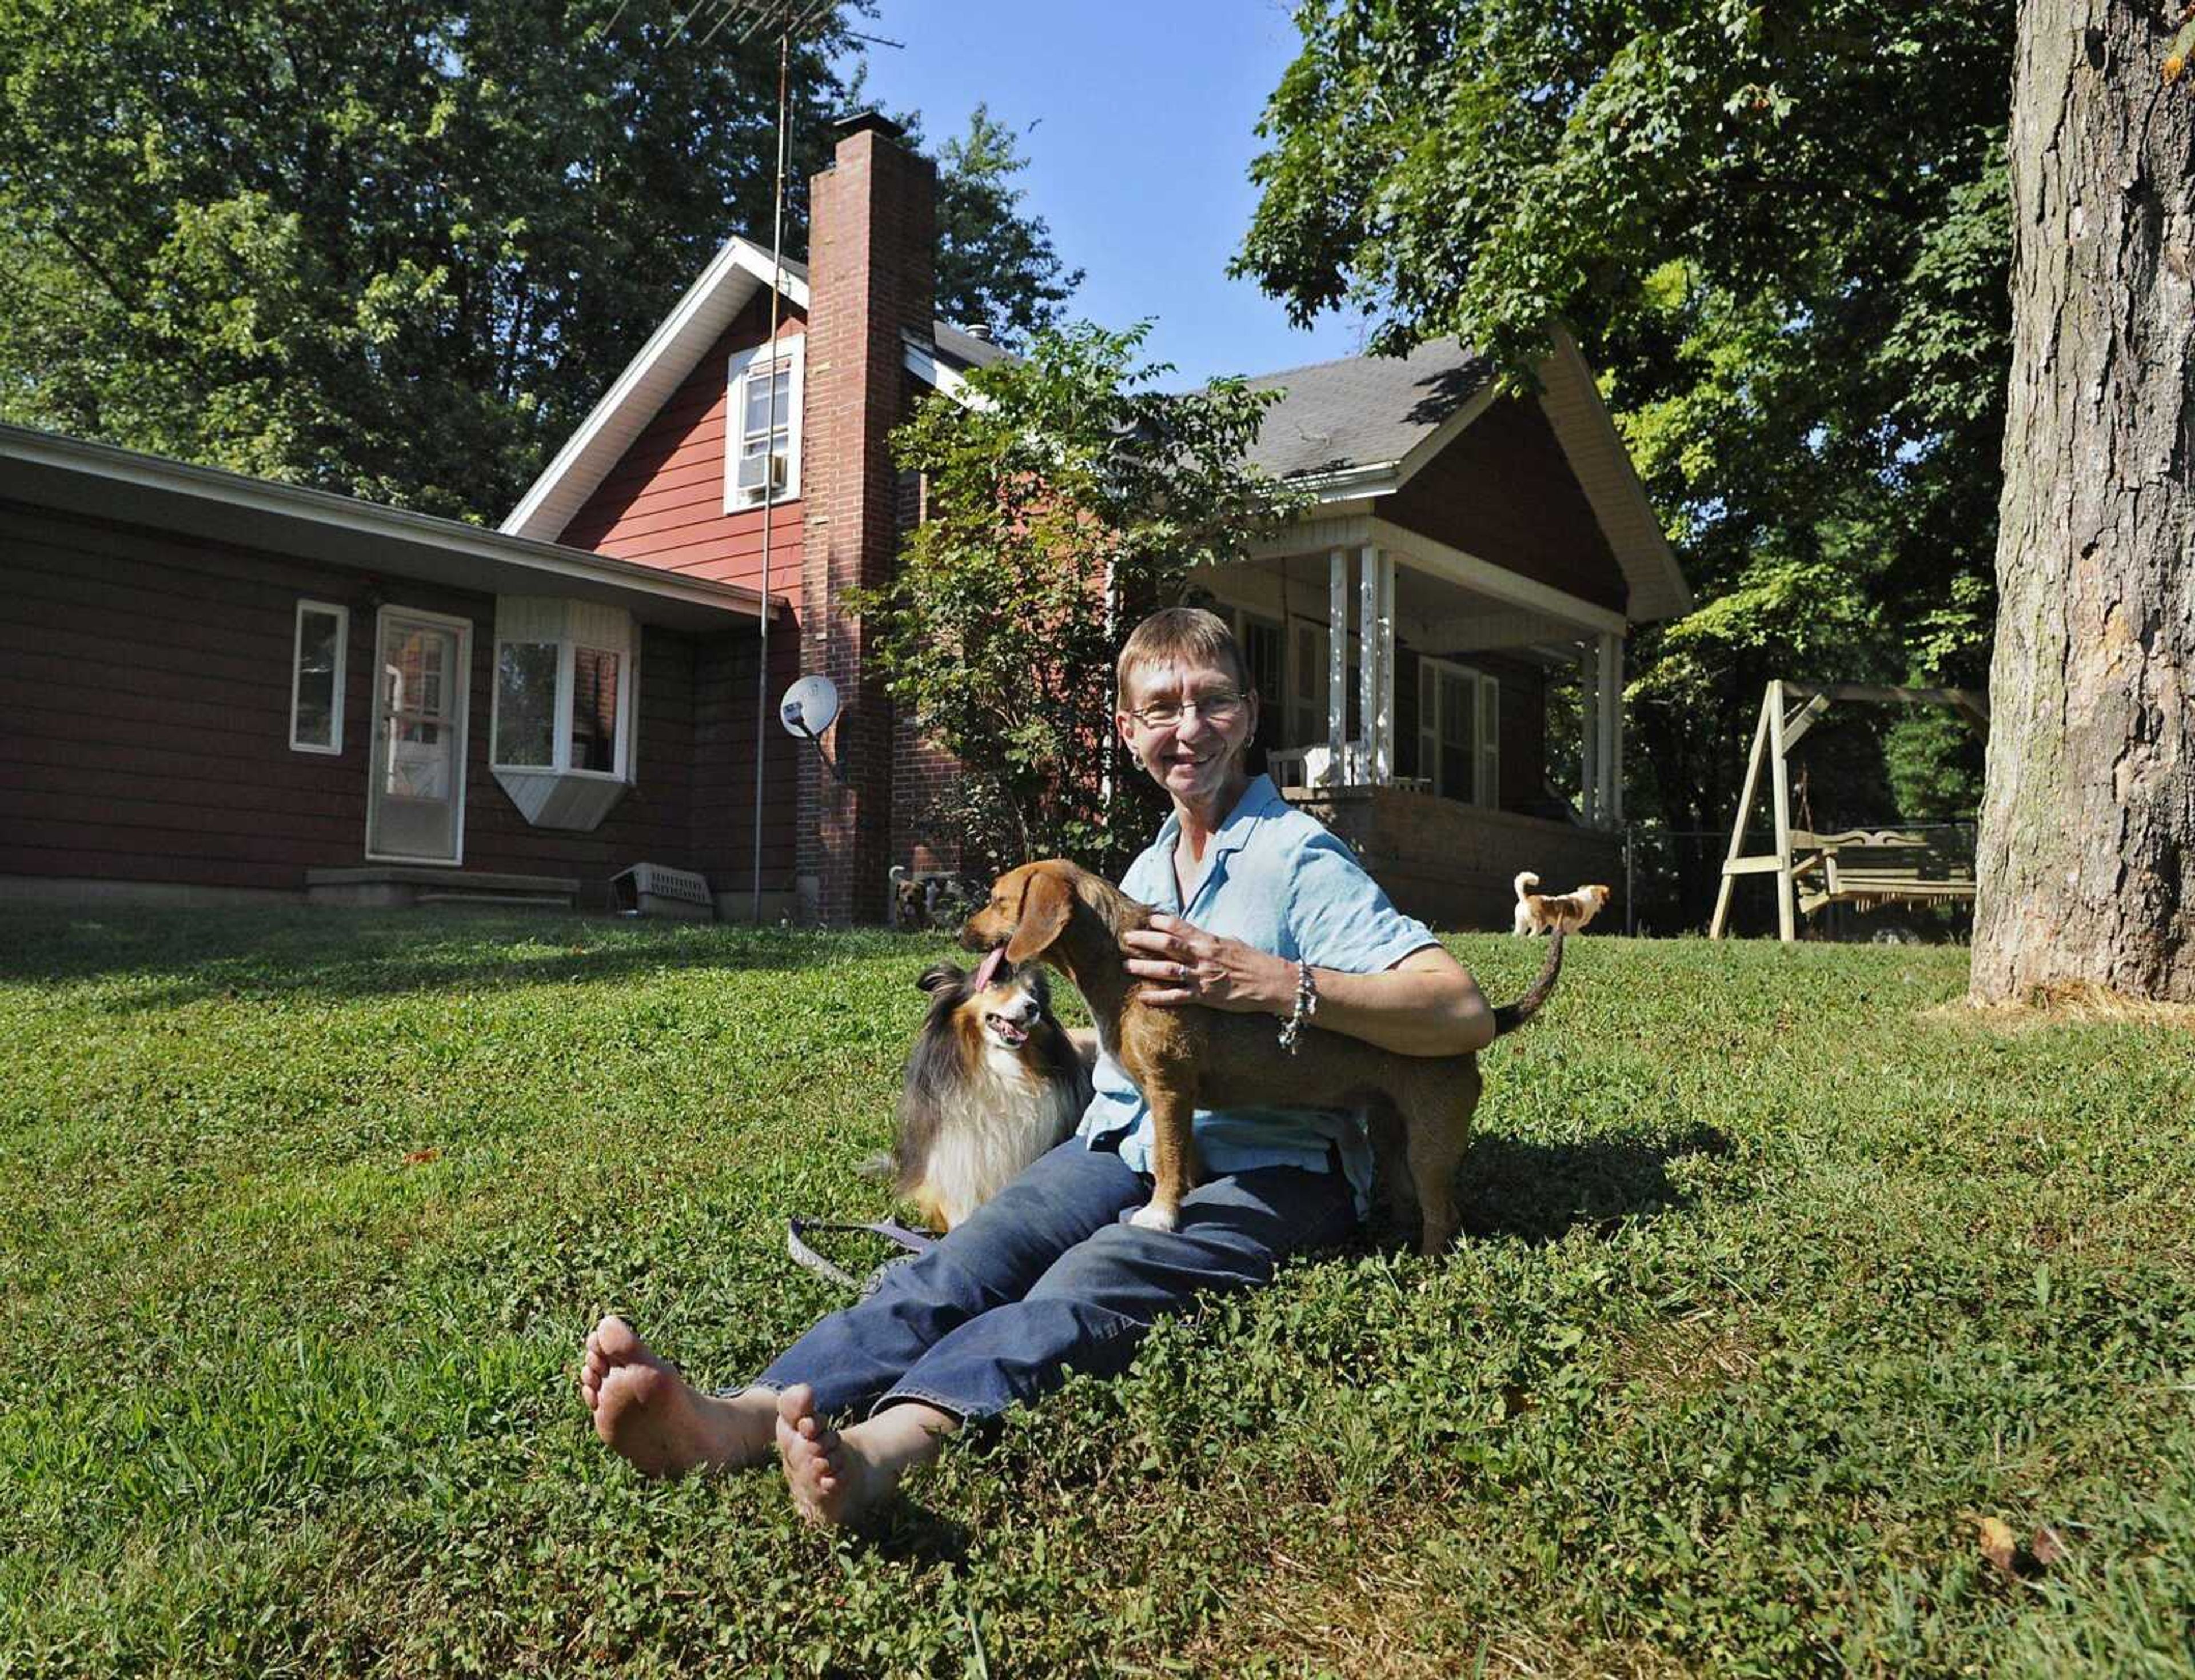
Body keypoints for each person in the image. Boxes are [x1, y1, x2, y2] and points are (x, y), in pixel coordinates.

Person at [578, 606, 1495, 1526]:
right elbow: (1145, 1042)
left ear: (1250, 716)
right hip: (1113, 1146)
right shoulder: (1144, 870)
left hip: (1271, 1163)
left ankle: (879, 1453)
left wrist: (1273, 980)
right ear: (1130, 733)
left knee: (1085, 1288)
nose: (1188, 728)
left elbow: (1459, 1010)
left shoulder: (1300, 858)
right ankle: (736, 1420)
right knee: (958, 1266)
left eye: (1211, 702)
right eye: (1160, 708)